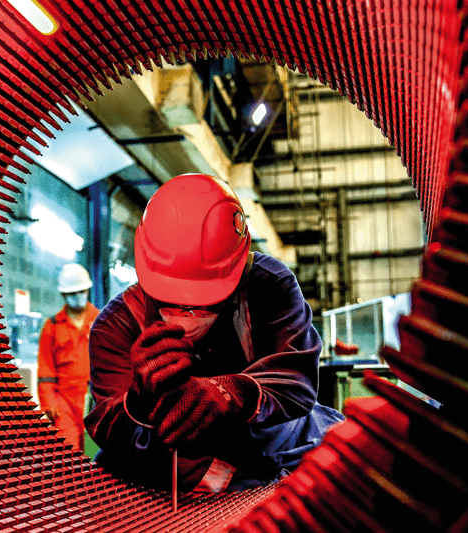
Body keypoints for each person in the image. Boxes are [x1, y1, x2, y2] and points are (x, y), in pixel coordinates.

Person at [85, 173, 344, 492]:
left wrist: (232, 393)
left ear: (237, 267)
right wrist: (138, 404)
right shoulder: (115, 327)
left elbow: (296, 378)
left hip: (279, 437)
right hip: (168, 455)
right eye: (169, 301)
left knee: (343, 459)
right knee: (111, 475)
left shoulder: (269, 286)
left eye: (204, 304)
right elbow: (111, 427)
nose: (185, 318)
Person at [38, 263, 100, 452]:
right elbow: (46, 369)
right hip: (63, 403)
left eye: (82, 291)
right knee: (67, 454)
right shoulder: (52, 327)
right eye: (73, 293)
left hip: (95, 401)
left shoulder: (102, 320)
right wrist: (49, 404)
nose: (78, 296)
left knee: (95, 454)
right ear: (64, 295)